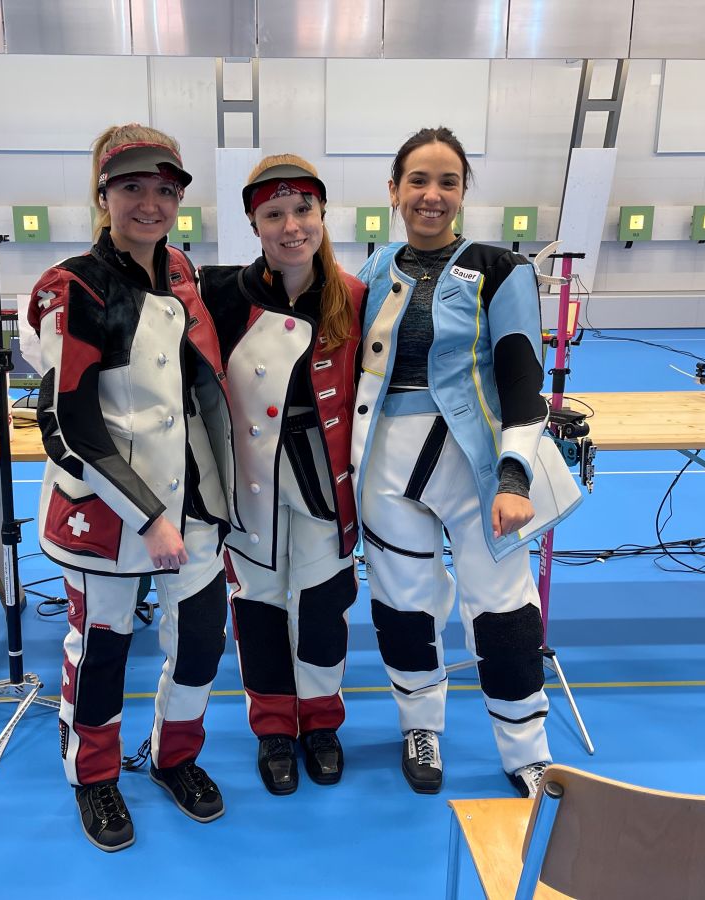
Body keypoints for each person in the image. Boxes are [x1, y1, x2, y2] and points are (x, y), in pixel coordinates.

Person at [350, 126, 582, 799]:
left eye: (447, 182)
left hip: (478, 471)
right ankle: (419, 727)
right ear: (394, 190)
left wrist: (513, 476)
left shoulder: (502, 269)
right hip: (385, 470)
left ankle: (526, 749)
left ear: (462, 193)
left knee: (505, 611)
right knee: (402, 605)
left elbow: (522, 380)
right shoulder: (371, 271)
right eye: (418, 180)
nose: (432, 194)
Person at [27, 123, 235, 852]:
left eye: (165, 190)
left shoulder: (180, 270)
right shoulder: (74, 286)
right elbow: (71, 423)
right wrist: (149, 517)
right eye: (132, 188)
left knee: (201, 643)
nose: (150, 203)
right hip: (111, 510)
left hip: (197, 503)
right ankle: (94, 775)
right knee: (102, 649)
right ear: (103, 194)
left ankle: (175, 758)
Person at [199, 155, 364, 795]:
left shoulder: (354, 296)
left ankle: (321, 721)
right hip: (251, 481)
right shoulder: (221, 294)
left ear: (322, 214)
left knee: (324, 605)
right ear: (254, 223)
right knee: (259, 606)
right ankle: (272, 726)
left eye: (303, 210)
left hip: (326, 478)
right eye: (274, 214)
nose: (291, 226)